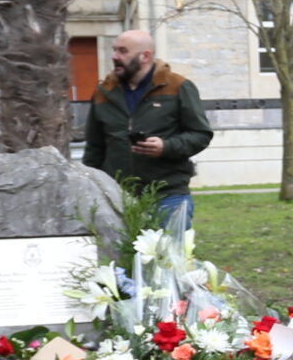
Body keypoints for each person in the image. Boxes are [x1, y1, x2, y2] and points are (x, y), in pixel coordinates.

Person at [83, 29, 213, 230]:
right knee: (121, 261)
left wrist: (167, 147)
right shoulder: (103, 92)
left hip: (167, 197)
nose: (115, 56)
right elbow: (94, 148)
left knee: (169, 260)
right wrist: (93, 191)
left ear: (145, 56)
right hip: (117, 198)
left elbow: (200, 134)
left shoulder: (179, 87)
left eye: (123, 51)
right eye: (114, 50)